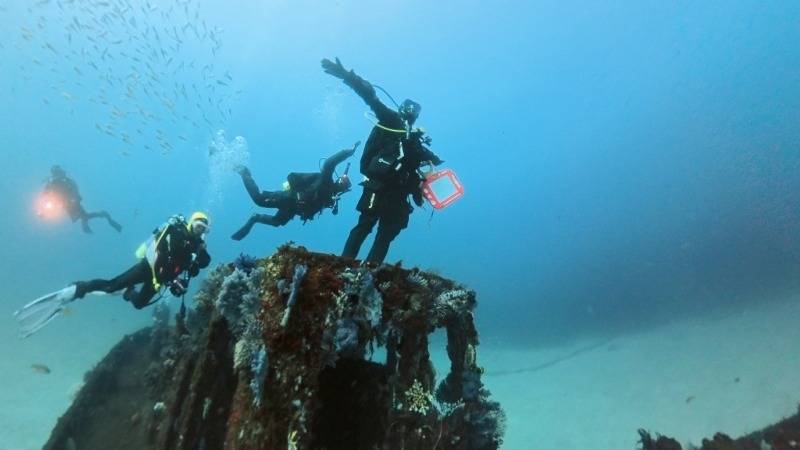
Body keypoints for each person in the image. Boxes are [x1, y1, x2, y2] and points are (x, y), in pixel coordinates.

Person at [321, 57, 443, 264]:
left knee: (386, 233)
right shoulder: (391, 121)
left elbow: (422, 162)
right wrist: (348, 77)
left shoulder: (414, 140)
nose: (412, 112)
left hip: (399, 193)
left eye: (415, 110)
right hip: (379, 186)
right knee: (365, 224)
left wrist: (432, 160)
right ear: (402, 109)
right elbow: (371, 98)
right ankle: (344, 265)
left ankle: (370, 271)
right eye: (409, 108)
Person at [72, 212, 211, 309]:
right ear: (192, 223)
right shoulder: (176, 232)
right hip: (148, 267)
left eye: (203, 229)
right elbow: (164, 254)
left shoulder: (197, 244)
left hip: (161, 279)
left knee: (139, 304)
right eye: (198, 226)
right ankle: (81, 287)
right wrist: (171, 279)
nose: (200, 231)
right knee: (112, 286)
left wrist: (199, 254)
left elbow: (205, 262)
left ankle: (128, 292)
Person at [230, 143, 358, 240]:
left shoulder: (331, 200)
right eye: (343, 182)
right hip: (290, 198)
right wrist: (347, 152)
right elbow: (329, 163)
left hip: (293, 210)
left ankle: (255, 218)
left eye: (344, 186)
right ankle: (244, 172)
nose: (342, 186)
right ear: (338, 180)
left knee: (276, 222)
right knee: (259, 199)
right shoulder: (326, 180)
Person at [42, 165, 122, 233]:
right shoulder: (51, 183)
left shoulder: (67, 181)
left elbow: (75, 188)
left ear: (60, 172)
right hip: (65, 204)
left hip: (73, 202)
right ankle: (98, 217)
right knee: (80, 217)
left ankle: (101, 216)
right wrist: (44, 209)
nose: (56, 175)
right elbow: (45, 194)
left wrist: (74, 198)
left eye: (57, 173)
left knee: (84, 216)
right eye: (54, 173)